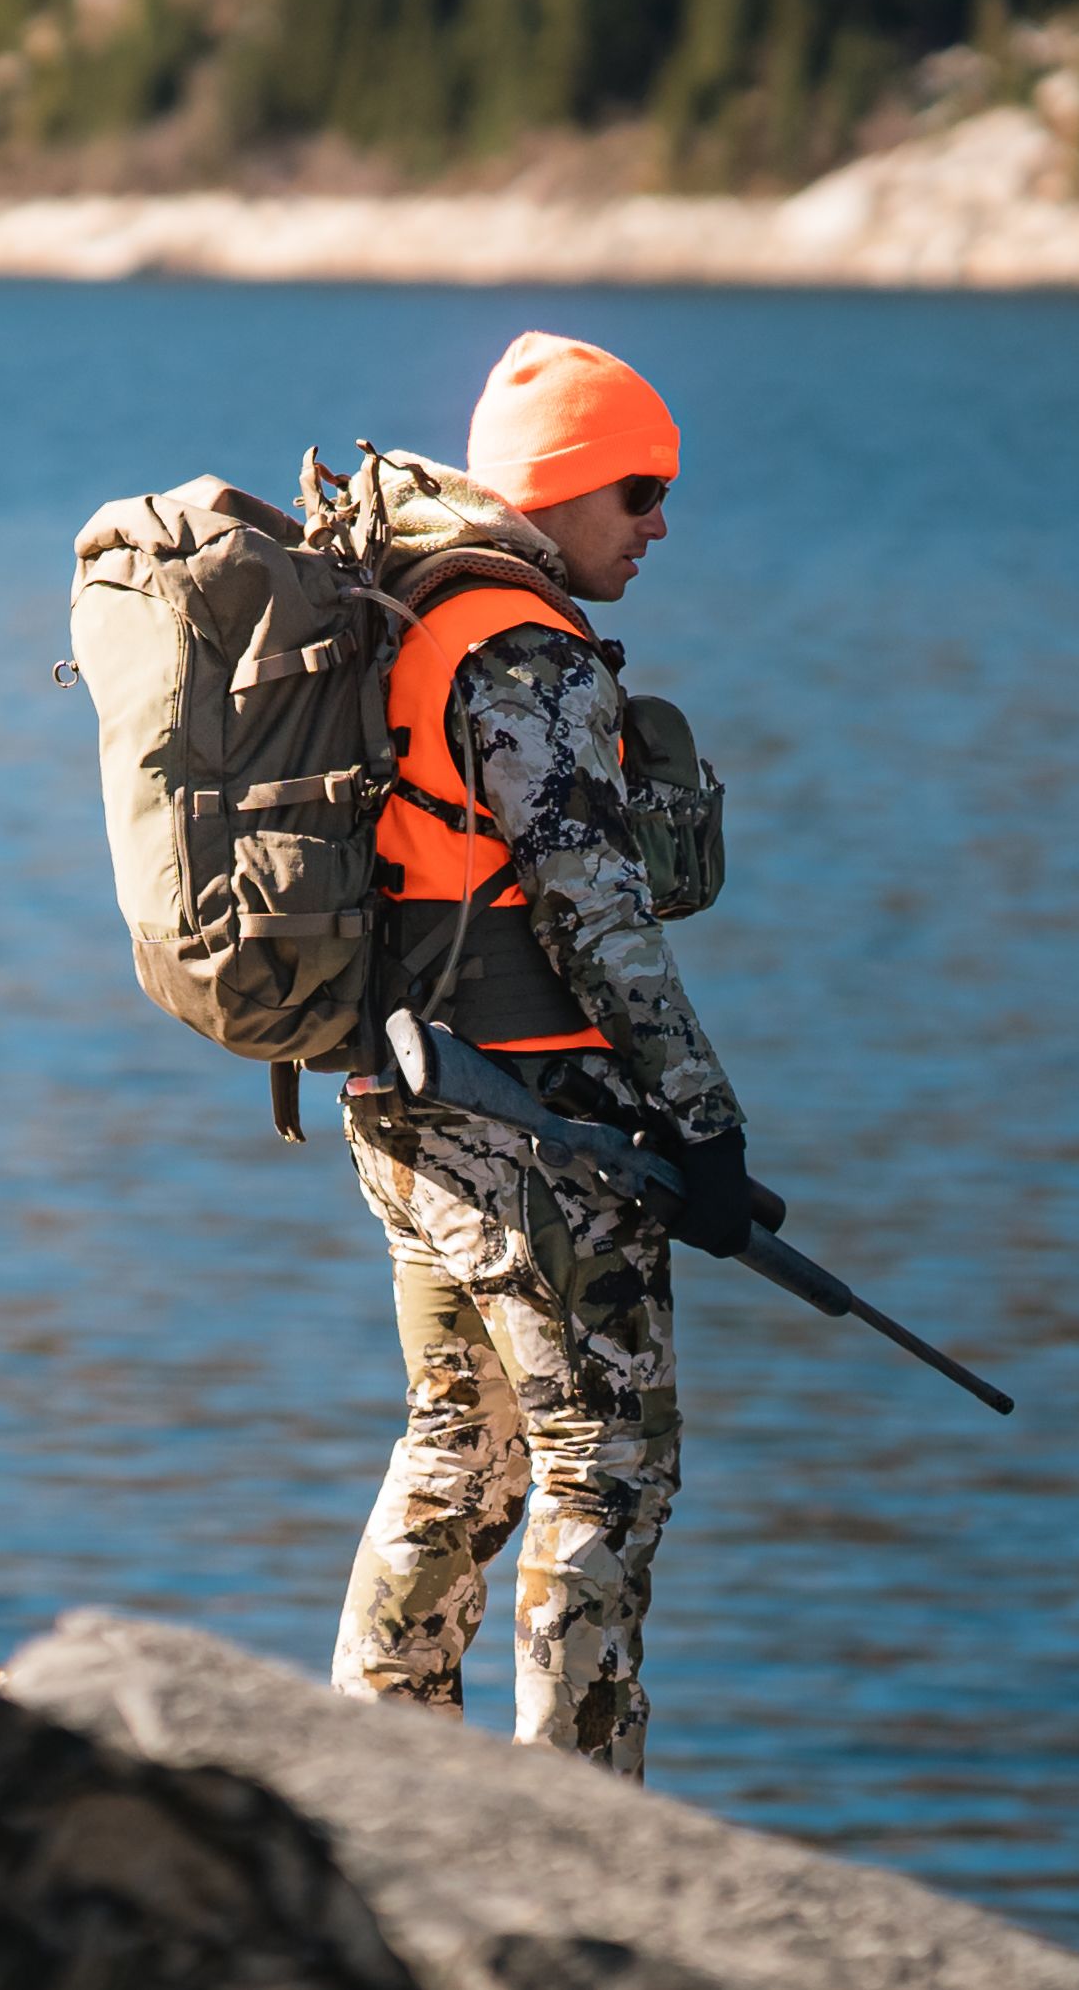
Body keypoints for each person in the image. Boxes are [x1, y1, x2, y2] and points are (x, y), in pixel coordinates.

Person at [326, 330, 742, 1777]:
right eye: (638, 488)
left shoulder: (417, 601)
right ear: (562, 486)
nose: (659, 522)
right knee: (606, 1470)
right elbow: (594, 910)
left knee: (461, 1444)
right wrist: (704, 1126)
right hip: (531, 1121)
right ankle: (577, 1832)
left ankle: (381, 1785)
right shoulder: (525, 644)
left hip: (406, 1096)